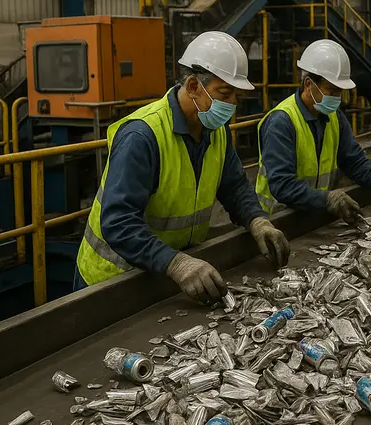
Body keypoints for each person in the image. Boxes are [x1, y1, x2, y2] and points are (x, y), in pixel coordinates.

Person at [75, 32, 290, 303]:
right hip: (110, 283)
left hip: (165, 274)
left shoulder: (215, 128)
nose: (233, 104)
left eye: (237, 95)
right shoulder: (142, 137)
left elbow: (234, 185)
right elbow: (119, 223)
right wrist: (177, 264)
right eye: (225, 93)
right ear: (192, 86)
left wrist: (257, 221)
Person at [256, 39, 371, 225]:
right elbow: (282, 185)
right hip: (278, 221)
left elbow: (354, 161)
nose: (337, 98)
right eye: (332, 90)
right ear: (308, 84)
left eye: (340, 92)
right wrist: (328, 199)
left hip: (315, 215)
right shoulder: (282, 122)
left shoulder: (334, 116)